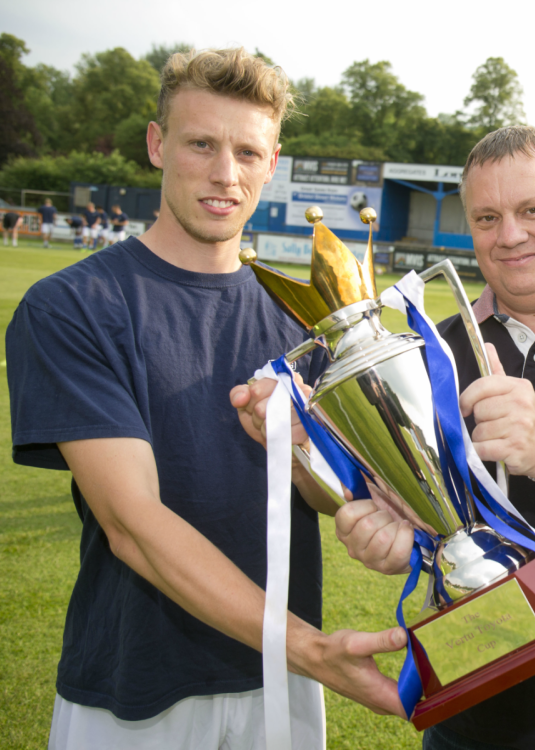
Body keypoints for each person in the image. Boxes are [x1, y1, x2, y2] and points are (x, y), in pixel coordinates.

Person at [241, 126, 535, 749]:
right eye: (487, 217)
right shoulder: (427, 352)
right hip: (473, 702)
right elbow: (392, 502)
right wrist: (325, 474)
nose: (509, 235)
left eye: (533, 210)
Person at [6, 47, 406, 750]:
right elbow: (132, 525)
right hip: (136, 687)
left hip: (278, 687)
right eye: (202, 144)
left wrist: (304, 453)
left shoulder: (301, 317)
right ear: (158, 145)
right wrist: (308, 648)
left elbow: (323, 498)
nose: (226, 175)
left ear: (272, 161)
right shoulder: (73, 306)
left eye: (248, 152)